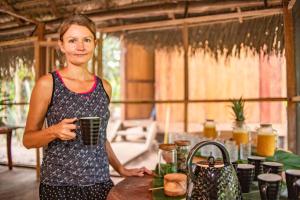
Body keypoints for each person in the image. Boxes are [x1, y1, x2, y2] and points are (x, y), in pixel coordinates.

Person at [23, 14, 152, 200]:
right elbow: (28, 139)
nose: (80, 46)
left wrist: (121, 169)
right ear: (61, 45)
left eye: (86, 40)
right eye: (72, 40)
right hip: (59, 187)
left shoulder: (104, 87)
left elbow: (102, 138)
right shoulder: (48, 84)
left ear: (95, 44)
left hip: (101, 184)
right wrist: (54, 131)